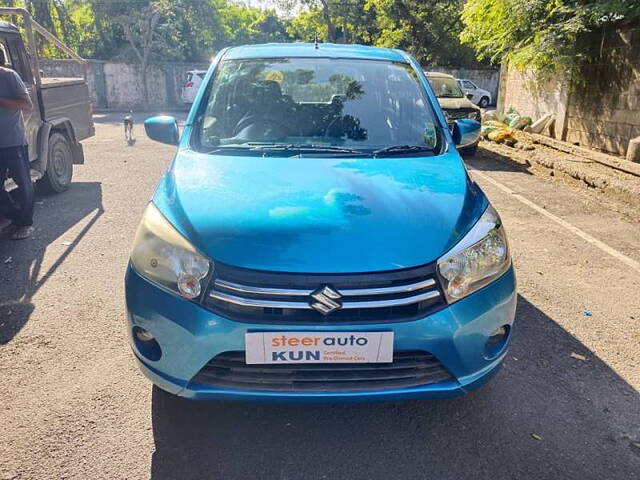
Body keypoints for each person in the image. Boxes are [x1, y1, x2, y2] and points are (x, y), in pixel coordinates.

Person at [0, 48, 34, 240]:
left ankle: (26, 224)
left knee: (23, 183)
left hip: (12, 141)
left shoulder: (9, 76)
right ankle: (15, 218)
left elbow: (27, 105)